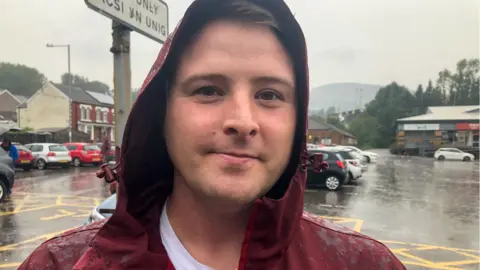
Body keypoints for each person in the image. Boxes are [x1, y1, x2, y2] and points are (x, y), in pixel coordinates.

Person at [19, 0, 406, 269]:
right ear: (162, 112)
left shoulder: (363, 264)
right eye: (208, 90)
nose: (242, 120)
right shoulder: (61, 264)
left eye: (269, 95)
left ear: (297, 121)